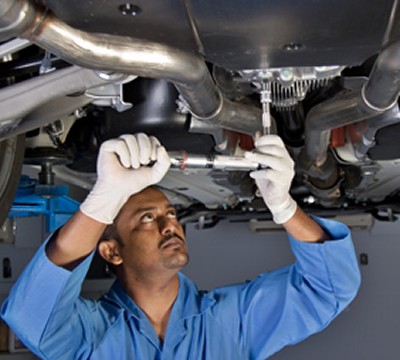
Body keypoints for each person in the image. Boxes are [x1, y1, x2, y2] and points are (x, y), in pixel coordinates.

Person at [1, 133, 361, 359]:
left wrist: (285, 207)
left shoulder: (230, 320)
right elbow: (31, 317)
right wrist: (102, 201)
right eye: (146, 217)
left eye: (170, 213)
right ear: (111, 250)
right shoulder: (90, 333)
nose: (169, 223)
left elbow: (331, 289)